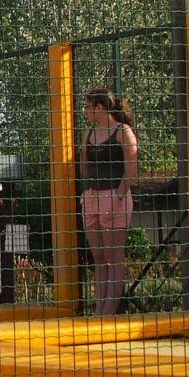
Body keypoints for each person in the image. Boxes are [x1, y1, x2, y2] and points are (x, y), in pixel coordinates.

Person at [80, 88, 140, 317]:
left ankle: (109, 311)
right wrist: (87, 193)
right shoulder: (89, 132)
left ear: (100, 107)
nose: (85, 111)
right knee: (99, 257)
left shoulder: (123, 132)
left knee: (113, 257)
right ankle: (99, 310)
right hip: (92, 197)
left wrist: (118, 196)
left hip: (115, 197)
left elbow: (131, 171)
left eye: (88, 107)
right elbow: (84, 165)